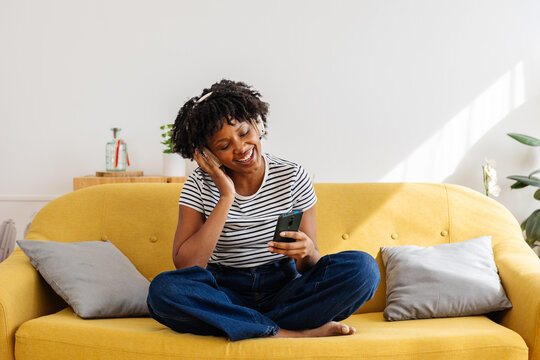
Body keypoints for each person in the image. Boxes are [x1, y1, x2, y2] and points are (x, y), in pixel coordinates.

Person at [146, 79, 380, 341]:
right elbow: (187, 265)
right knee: (164, 290)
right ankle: (286, 332)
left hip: (284, 291)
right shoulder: (199, 184)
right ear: (208, 154)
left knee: (363, 269)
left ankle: (247, 326)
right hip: (225, 293)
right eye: (223, 146)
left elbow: (308, 266)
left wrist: (308, 251)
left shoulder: (292, 176)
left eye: (244, 133)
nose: (240, 148)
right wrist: (226, 196)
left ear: (257, 125)